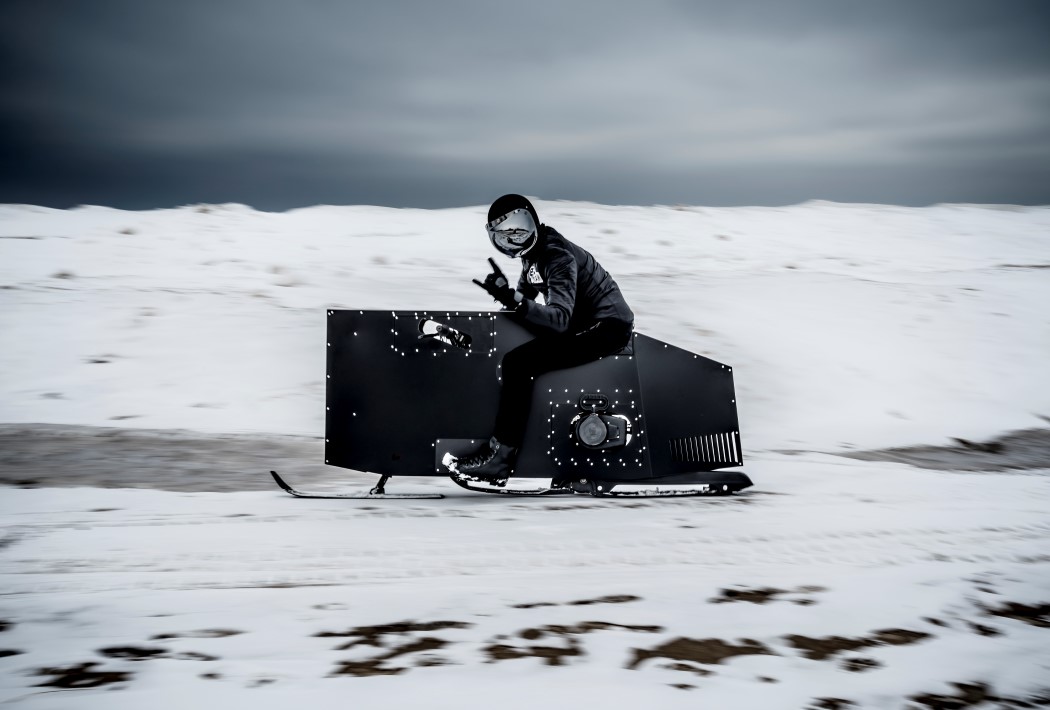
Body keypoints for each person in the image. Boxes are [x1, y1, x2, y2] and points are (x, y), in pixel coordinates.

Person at [445, 194, 635, 481]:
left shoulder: (557, 256)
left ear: (533, 222)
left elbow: (558, 319)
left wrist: (514, 299)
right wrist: (505, 295)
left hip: (607, 327)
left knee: (518, 363)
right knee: (516, 354)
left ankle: (501, 459)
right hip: (583, 323)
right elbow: (525, 299)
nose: (514, 240)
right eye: (504, 236)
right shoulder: (533, 256)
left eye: (519, 230)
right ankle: (498, 449)